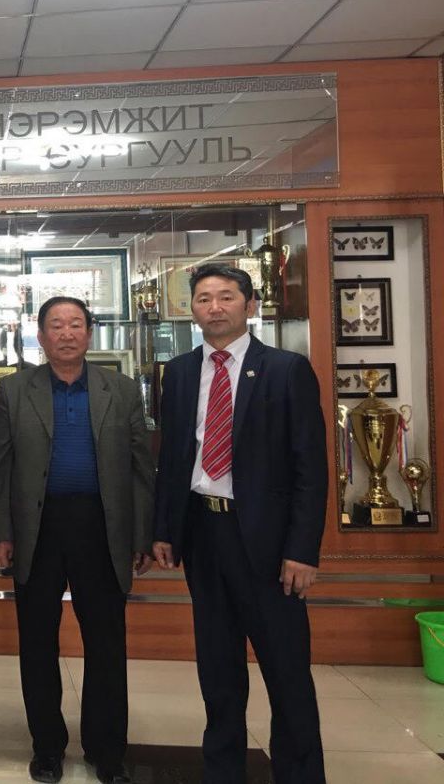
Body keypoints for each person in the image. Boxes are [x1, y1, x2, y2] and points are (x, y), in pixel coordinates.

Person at [153, 264, 327, 784]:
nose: (215, 307)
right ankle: (222, 770)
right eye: (204, 298)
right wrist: (165, 529)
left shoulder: (286, 369)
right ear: (192, 309)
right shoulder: (179, 372)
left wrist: (302, 550)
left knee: (286, 670)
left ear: (250, 305)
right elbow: (173, 458)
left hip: (270, 545)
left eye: (226, 296)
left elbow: (310, 468)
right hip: (204, 536)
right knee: (218, 670)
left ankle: (299, 774)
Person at [0, 296, 154, 784]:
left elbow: (141, 469)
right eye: (56, 325)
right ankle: (47, 747)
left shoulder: (121, 389)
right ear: (40, 336)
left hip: (102, 526)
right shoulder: (14, 390)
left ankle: (107, 749)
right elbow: (0, 468)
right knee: (37, 642)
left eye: (75, 324)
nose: (66, 333)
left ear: (89, 332)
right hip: (36, 528)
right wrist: (1, 532)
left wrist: (141, 534)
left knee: (106, 642)